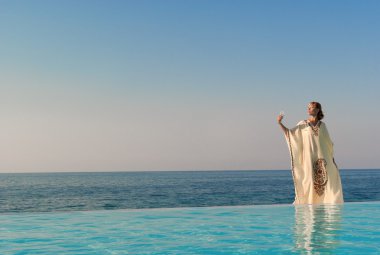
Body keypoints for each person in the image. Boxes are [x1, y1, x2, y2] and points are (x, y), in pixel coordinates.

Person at [277, 102, 344, 205]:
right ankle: (309, 205)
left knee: (329, 181)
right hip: (309, 158)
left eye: (311, 108)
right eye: (308, 108)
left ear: (317, 110)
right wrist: (280, 123)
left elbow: (328, 144)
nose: (308, 109)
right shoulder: (302, 124)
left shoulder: (323, 125)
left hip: (323, 159)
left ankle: (329, 204)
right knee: (309, 181)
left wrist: (332, 160)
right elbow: (289, 134)